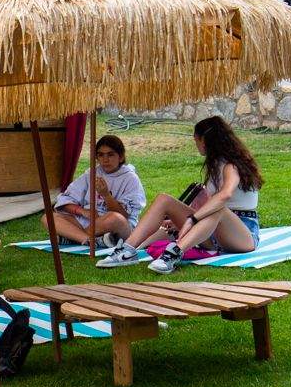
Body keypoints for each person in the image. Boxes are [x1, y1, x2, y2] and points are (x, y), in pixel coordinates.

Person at [99, 116, 263, 273]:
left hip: (243, 234)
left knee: (219, 209)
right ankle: (127, 250)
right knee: (164, 199)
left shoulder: (232, 165)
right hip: (212, 232)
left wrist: (193, 219)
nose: (196, 145)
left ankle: (174, 253)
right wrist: (179, 219)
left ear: (204, 140)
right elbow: (208, 205)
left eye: (196, 140)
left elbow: (225, 195)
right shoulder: (214, 165)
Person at [48, 134, 146, 250]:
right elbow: (65, 200)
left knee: (115, 218)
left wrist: (106, 195)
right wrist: (83, 211)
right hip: (89, 222)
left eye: (110, 154)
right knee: (49, 217)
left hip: (117, 226)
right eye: (101, 155)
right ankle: (90, 239)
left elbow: (124, 215)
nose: (105, 160)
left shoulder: (130, 178)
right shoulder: (92, 173)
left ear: (121, 157)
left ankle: (73, 237)